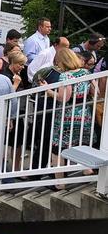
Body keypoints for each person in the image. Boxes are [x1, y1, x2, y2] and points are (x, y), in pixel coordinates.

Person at [44, 48, 96, 189]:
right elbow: (95, 92)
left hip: (68, 116)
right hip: (84, 114)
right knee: (82, 143)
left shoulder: (66, 76)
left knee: (58, 147)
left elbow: (64, 98)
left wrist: (49, 92)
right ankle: (87, 170)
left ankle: (60, 183)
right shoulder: (86, 72)